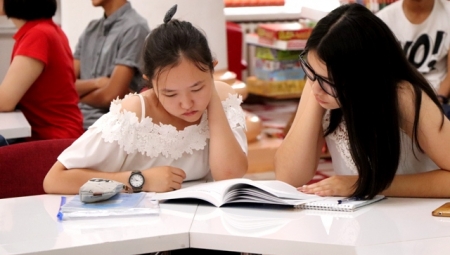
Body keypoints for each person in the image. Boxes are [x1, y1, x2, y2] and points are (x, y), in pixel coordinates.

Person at [43, 4, 248, 195]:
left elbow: (229, 176)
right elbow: (55, 180)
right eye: (170, 94)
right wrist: (138, 180)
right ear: (150, 83)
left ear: (212, 70)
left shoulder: (223, 99)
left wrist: (211, 97)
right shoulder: (134, 114)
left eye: (197, 87)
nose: (186, 104)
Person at [274, 3, 450, 199]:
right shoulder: (318, 83)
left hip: (412, 218)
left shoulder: (404, 96)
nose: (315, 88)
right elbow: (288, 176)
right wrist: (317, 87)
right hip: (359, 217)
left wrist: (365, 185)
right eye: (310, 71)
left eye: (329, 81)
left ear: (364, 77)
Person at [0, 0, 84, 141]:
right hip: (60, 137)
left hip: (52, 141)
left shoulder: (38, 35)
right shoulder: (48, 29)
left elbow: (4, 102)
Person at [75, 0, 150, 130]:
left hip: (107, 128)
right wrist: (98, 83)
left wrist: (75, 96)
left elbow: (110, 96)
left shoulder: (135, 28)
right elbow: (64, 85)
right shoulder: (90, 29)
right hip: (74, 121)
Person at [377, 0, 450, 116]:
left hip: (439, 99)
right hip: (400, 101)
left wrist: (438, 100)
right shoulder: (383, 20)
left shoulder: (447, 12)